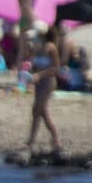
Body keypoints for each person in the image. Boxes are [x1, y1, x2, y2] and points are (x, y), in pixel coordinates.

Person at [26, 24, 64, 155]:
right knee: (39, 111)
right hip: (39, 83)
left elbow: (56, 68)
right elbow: (34, 67)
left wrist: (39, 75)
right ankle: (38, 140)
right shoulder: (36, 47)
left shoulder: (50, 47)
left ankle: (54, 139)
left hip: (48, 82)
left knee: (39, 108)